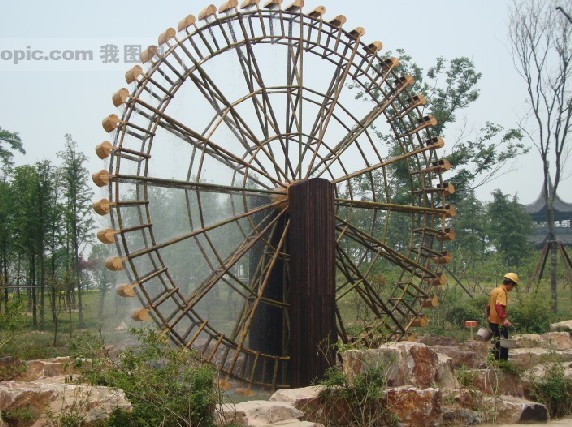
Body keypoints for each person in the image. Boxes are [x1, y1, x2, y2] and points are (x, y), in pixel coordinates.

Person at [487, 272, 519, 360]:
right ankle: (502, 364)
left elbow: (489, 306)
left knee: (497, 342)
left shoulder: (495, 290)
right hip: (499, 322)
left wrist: (488, 317)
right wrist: (504, 320)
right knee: (504, 343)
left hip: (492, 321)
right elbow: (498, 306)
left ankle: (494, 360)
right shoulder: (502, 292)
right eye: (513, 286)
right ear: (511, 284)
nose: (513, 288)